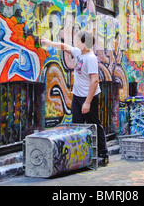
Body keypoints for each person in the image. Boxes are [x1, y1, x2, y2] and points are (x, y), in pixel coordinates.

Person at [40, 30, 109, 166]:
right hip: (77, 96)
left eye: (77, 41)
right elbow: (64, 46)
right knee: (76, 125)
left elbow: (95, 81)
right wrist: (49, 43)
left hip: (89, 97)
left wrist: (88, 102)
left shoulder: (90, 59)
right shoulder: (79, 53)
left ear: (84, 43)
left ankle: (103, 154)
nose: (75, 43)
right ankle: (79, 155)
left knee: (94, 124)